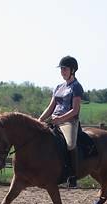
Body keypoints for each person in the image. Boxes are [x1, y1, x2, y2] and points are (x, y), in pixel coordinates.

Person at [39, 55, 84, 188]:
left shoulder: (76, 87)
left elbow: (75, 110)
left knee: (70, 144)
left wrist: (60, 119)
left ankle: (72, 175)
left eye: (65, 69)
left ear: (73, 70)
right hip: (54, 120)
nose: (62, 71)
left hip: (69, 122)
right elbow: (50, 107)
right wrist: (39, 120)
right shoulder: (58, 87)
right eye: (61, 69)